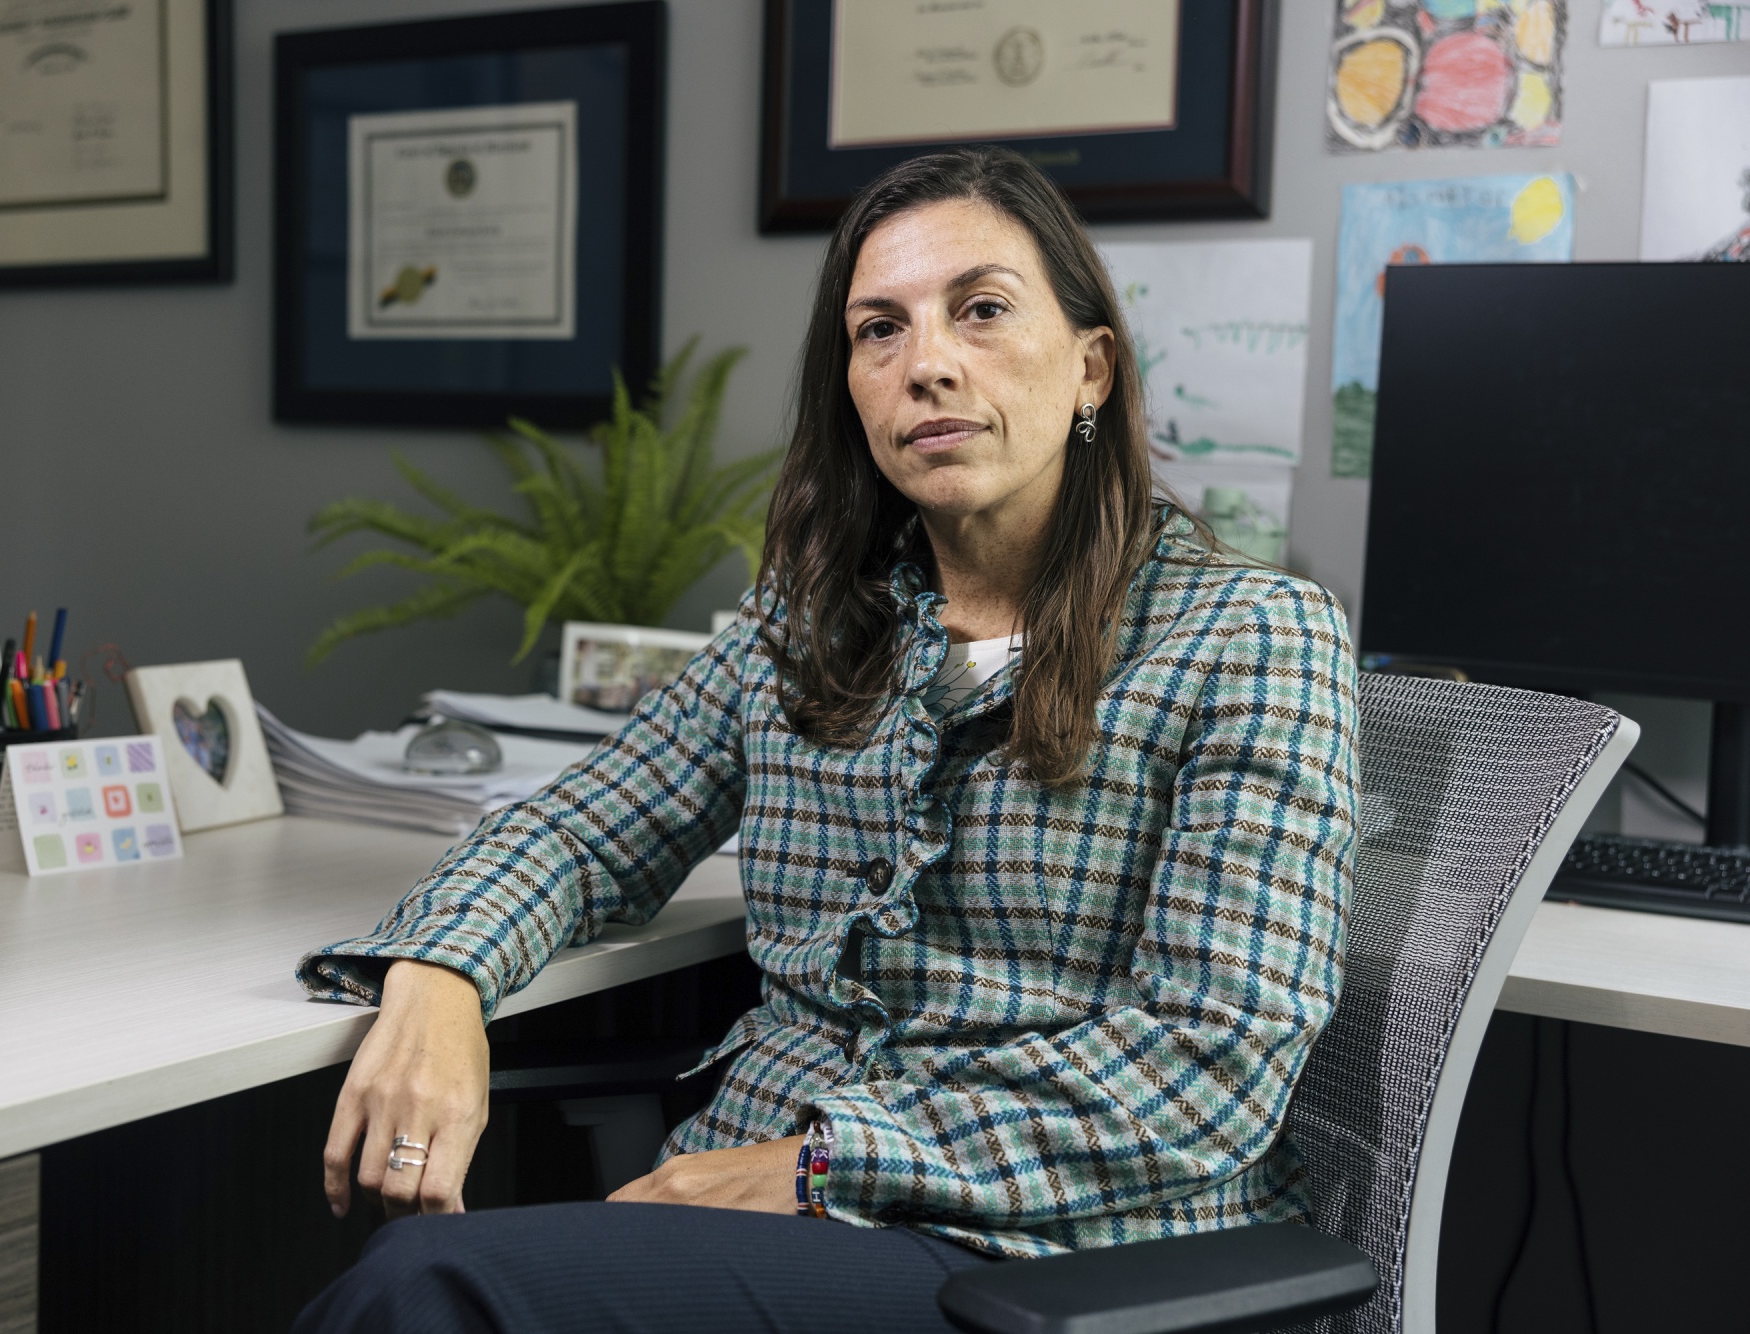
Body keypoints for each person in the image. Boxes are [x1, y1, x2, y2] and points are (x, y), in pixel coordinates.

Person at [293, 146, 1359, 1333]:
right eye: (876, 330)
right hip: (762, 1213)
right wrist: (441, 974)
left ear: (1088, 367)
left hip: (1053, 1261)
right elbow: (579, 826)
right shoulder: (806, 626)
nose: (927, 365)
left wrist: (818, 1164)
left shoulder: (1252, 635)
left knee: (430, 1286)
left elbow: (1209, 1062)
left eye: (982, 310)